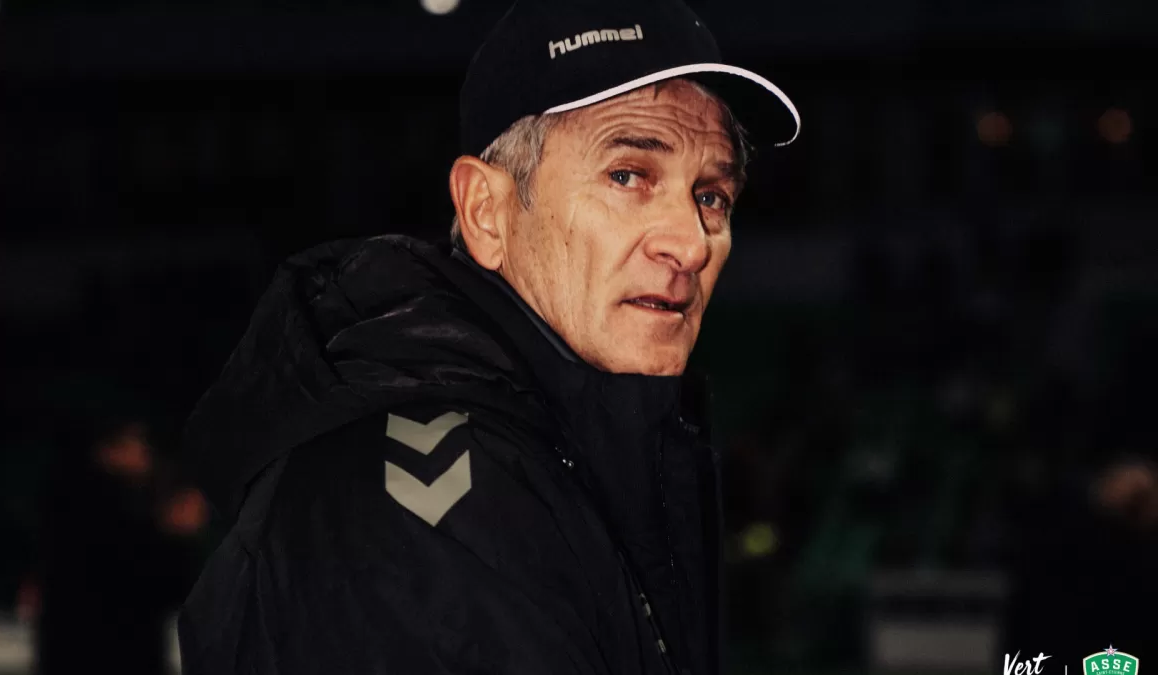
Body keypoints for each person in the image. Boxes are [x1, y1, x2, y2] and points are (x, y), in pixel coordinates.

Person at [177, 0, 800, 673]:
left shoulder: (587, 452)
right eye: (627, 176)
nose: (691, 243)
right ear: (485, 212)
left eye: (710, 196)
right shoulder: (416, 497)